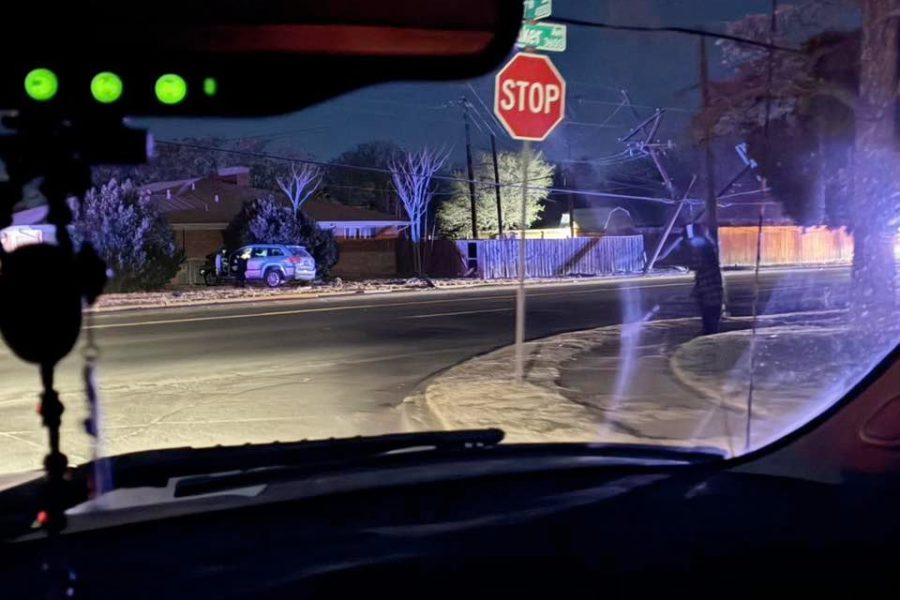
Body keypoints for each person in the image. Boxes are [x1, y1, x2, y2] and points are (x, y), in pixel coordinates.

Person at [685, 225, 724, 335]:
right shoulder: (708, 244)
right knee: (713, 309)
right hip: (712, 281)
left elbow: (695, 264)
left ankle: (709, 331)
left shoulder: (699, 246)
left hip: (706, 283)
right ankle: (711, 330)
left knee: (708, 310)